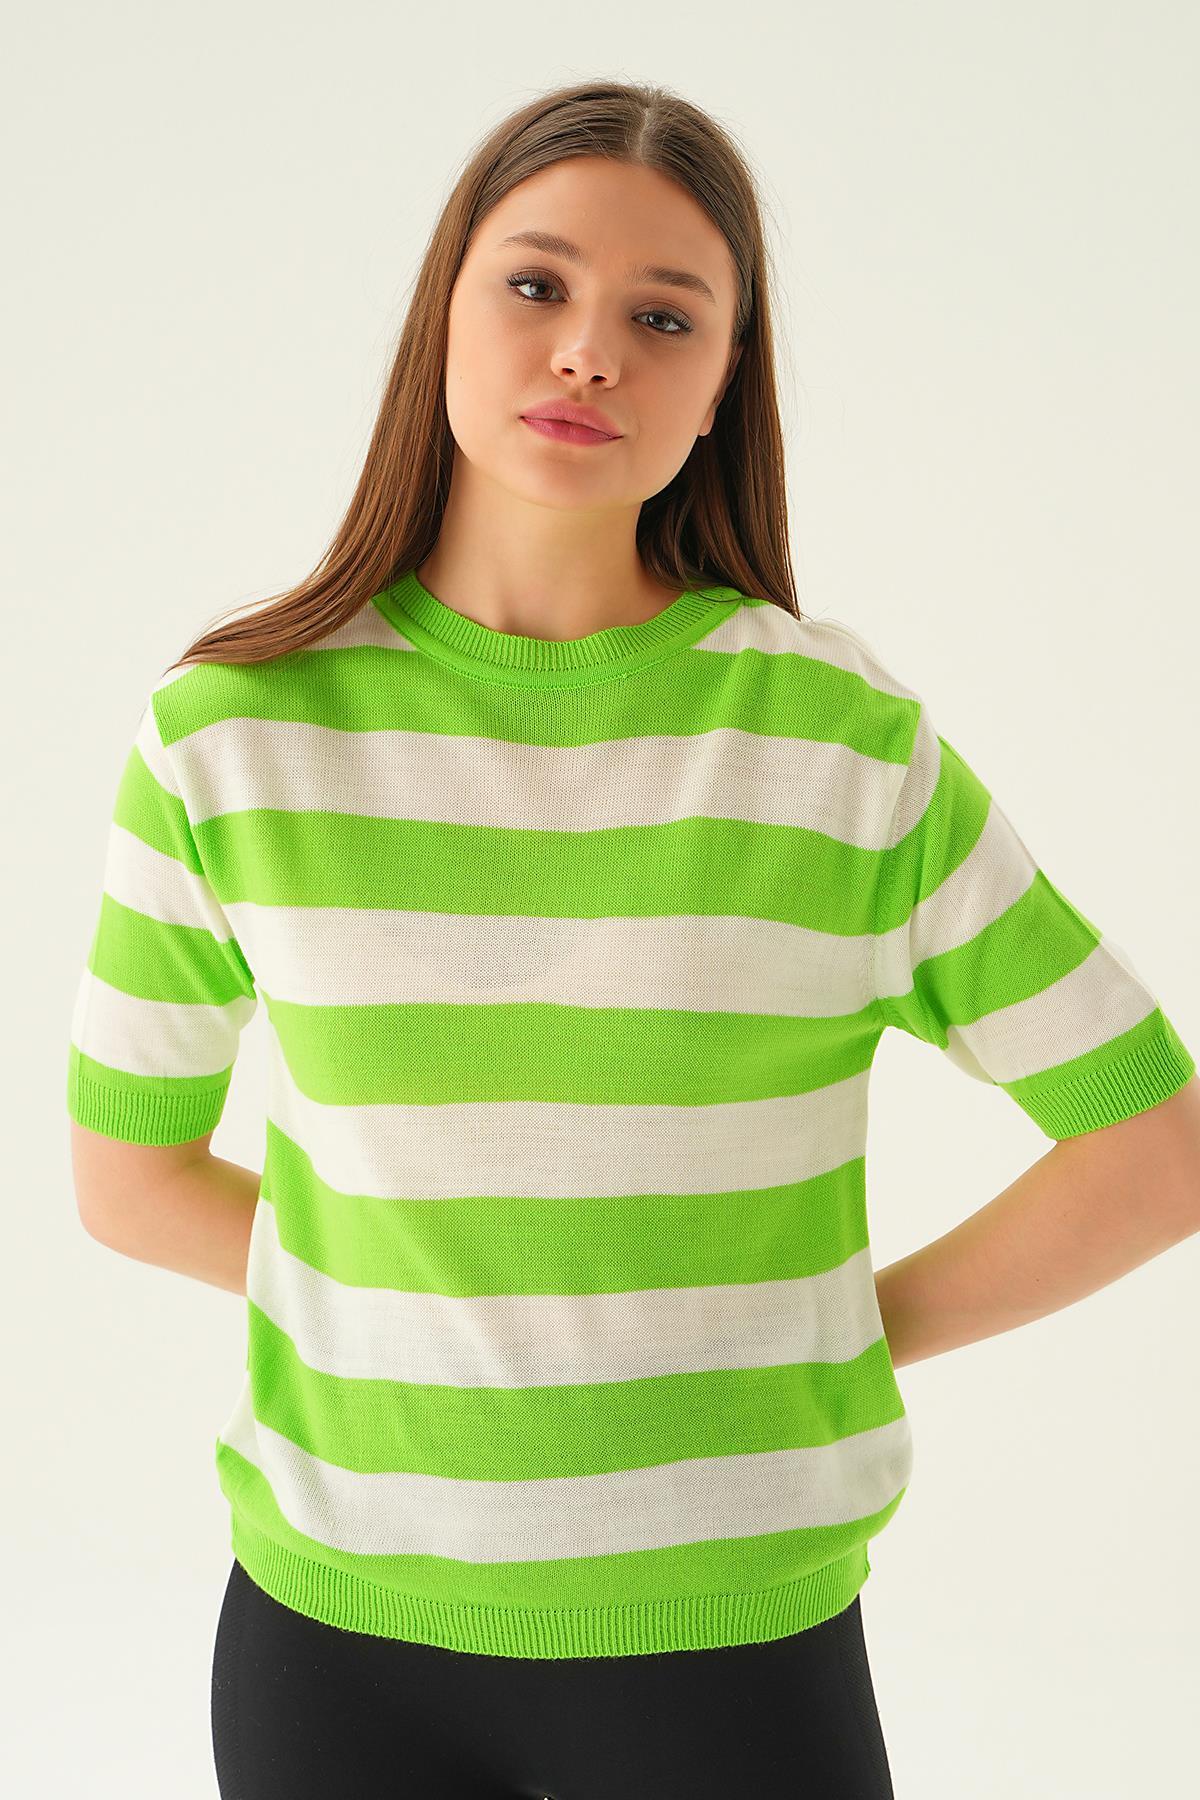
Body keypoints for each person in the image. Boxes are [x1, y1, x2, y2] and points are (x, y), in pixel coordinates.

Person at [67, 80, 1199, 1800]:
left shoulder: (837, 749)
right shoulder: (228, 738)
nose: (590, 351)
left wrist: (834, 1328)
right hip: (332, 1649)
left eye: (664, 318)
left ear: (722, 383)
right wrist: (438, 1302)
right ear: (444, 309)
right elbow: (126, 1181)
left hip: (737, 1652)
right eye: (537, 285)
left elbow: (1153, 1146)